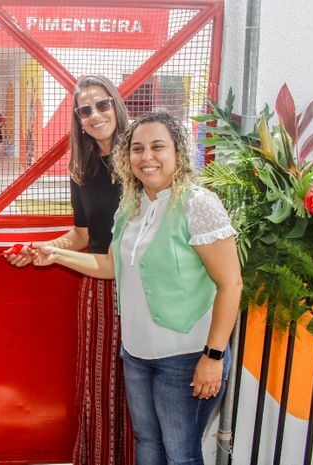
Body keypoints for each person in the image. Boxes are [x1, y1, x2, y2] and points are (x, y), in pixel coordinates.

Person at [35, 112, 242, 465]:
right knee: (146, 443)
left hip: (185, 356)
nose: (147, 157)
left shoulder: (198, 204)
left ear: (177, 152)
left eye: (158, 147)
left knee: (180, 455)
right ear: (126, 157)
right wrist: (55, 255)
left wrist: (213, 357)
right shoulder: (130, 206)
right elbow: (110, 266)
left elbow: (230, 284)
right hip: (137, 354)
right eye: (137, 149)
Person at [4, 75, 134, 465]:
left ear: (116, 104)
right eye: (85, 109)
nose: (95, 115)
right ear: (78, 120)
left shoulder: (141, 159)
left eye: (102, 104)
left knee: (135, 390)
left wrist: (55, 254)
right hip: (97, 286)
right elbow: (81, 236)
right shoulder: (83, 167)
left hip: (145, 288)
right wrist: (44, 249)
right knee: (97, 383)